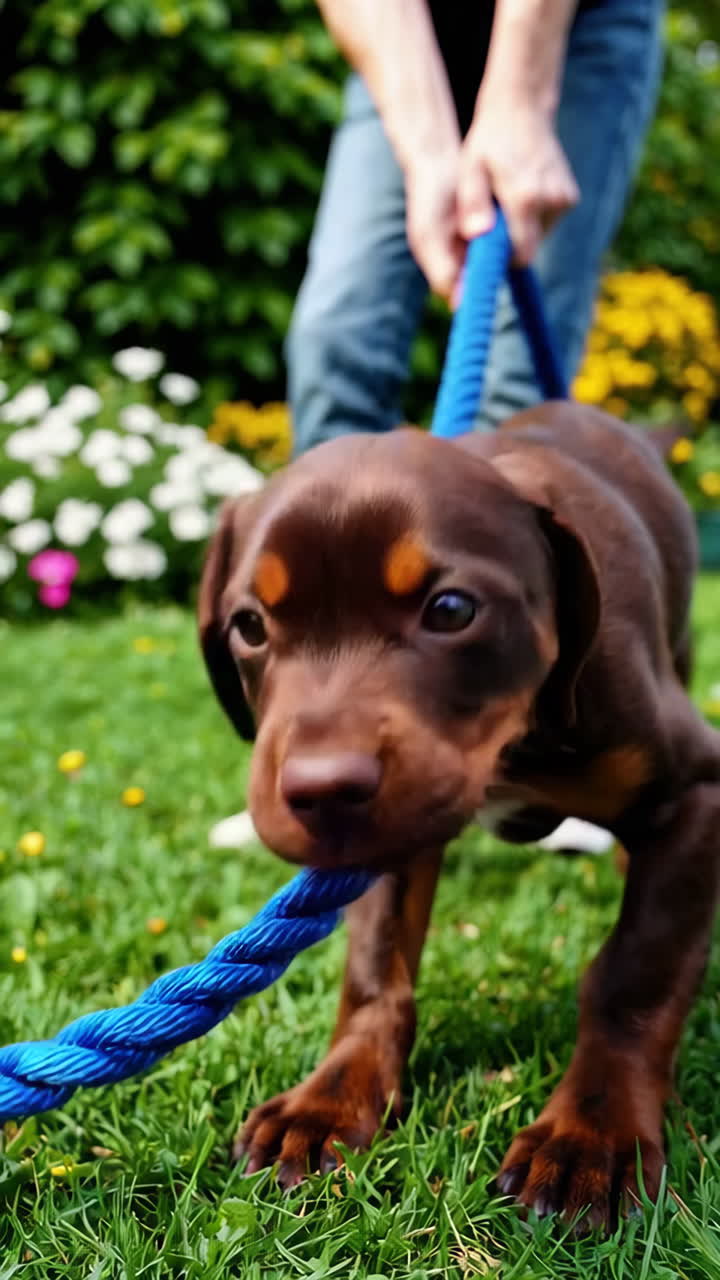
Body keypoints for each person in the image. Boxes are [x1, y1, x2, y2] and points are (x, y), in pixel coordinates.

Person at [209, 0, 665, 855]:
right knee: (335, 330)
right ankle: (326, 743)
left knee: (516, 369)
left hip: (572, 22)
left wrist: (521, 101)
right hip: (407, 30)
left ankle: (527, 756)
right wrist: (426, 151)